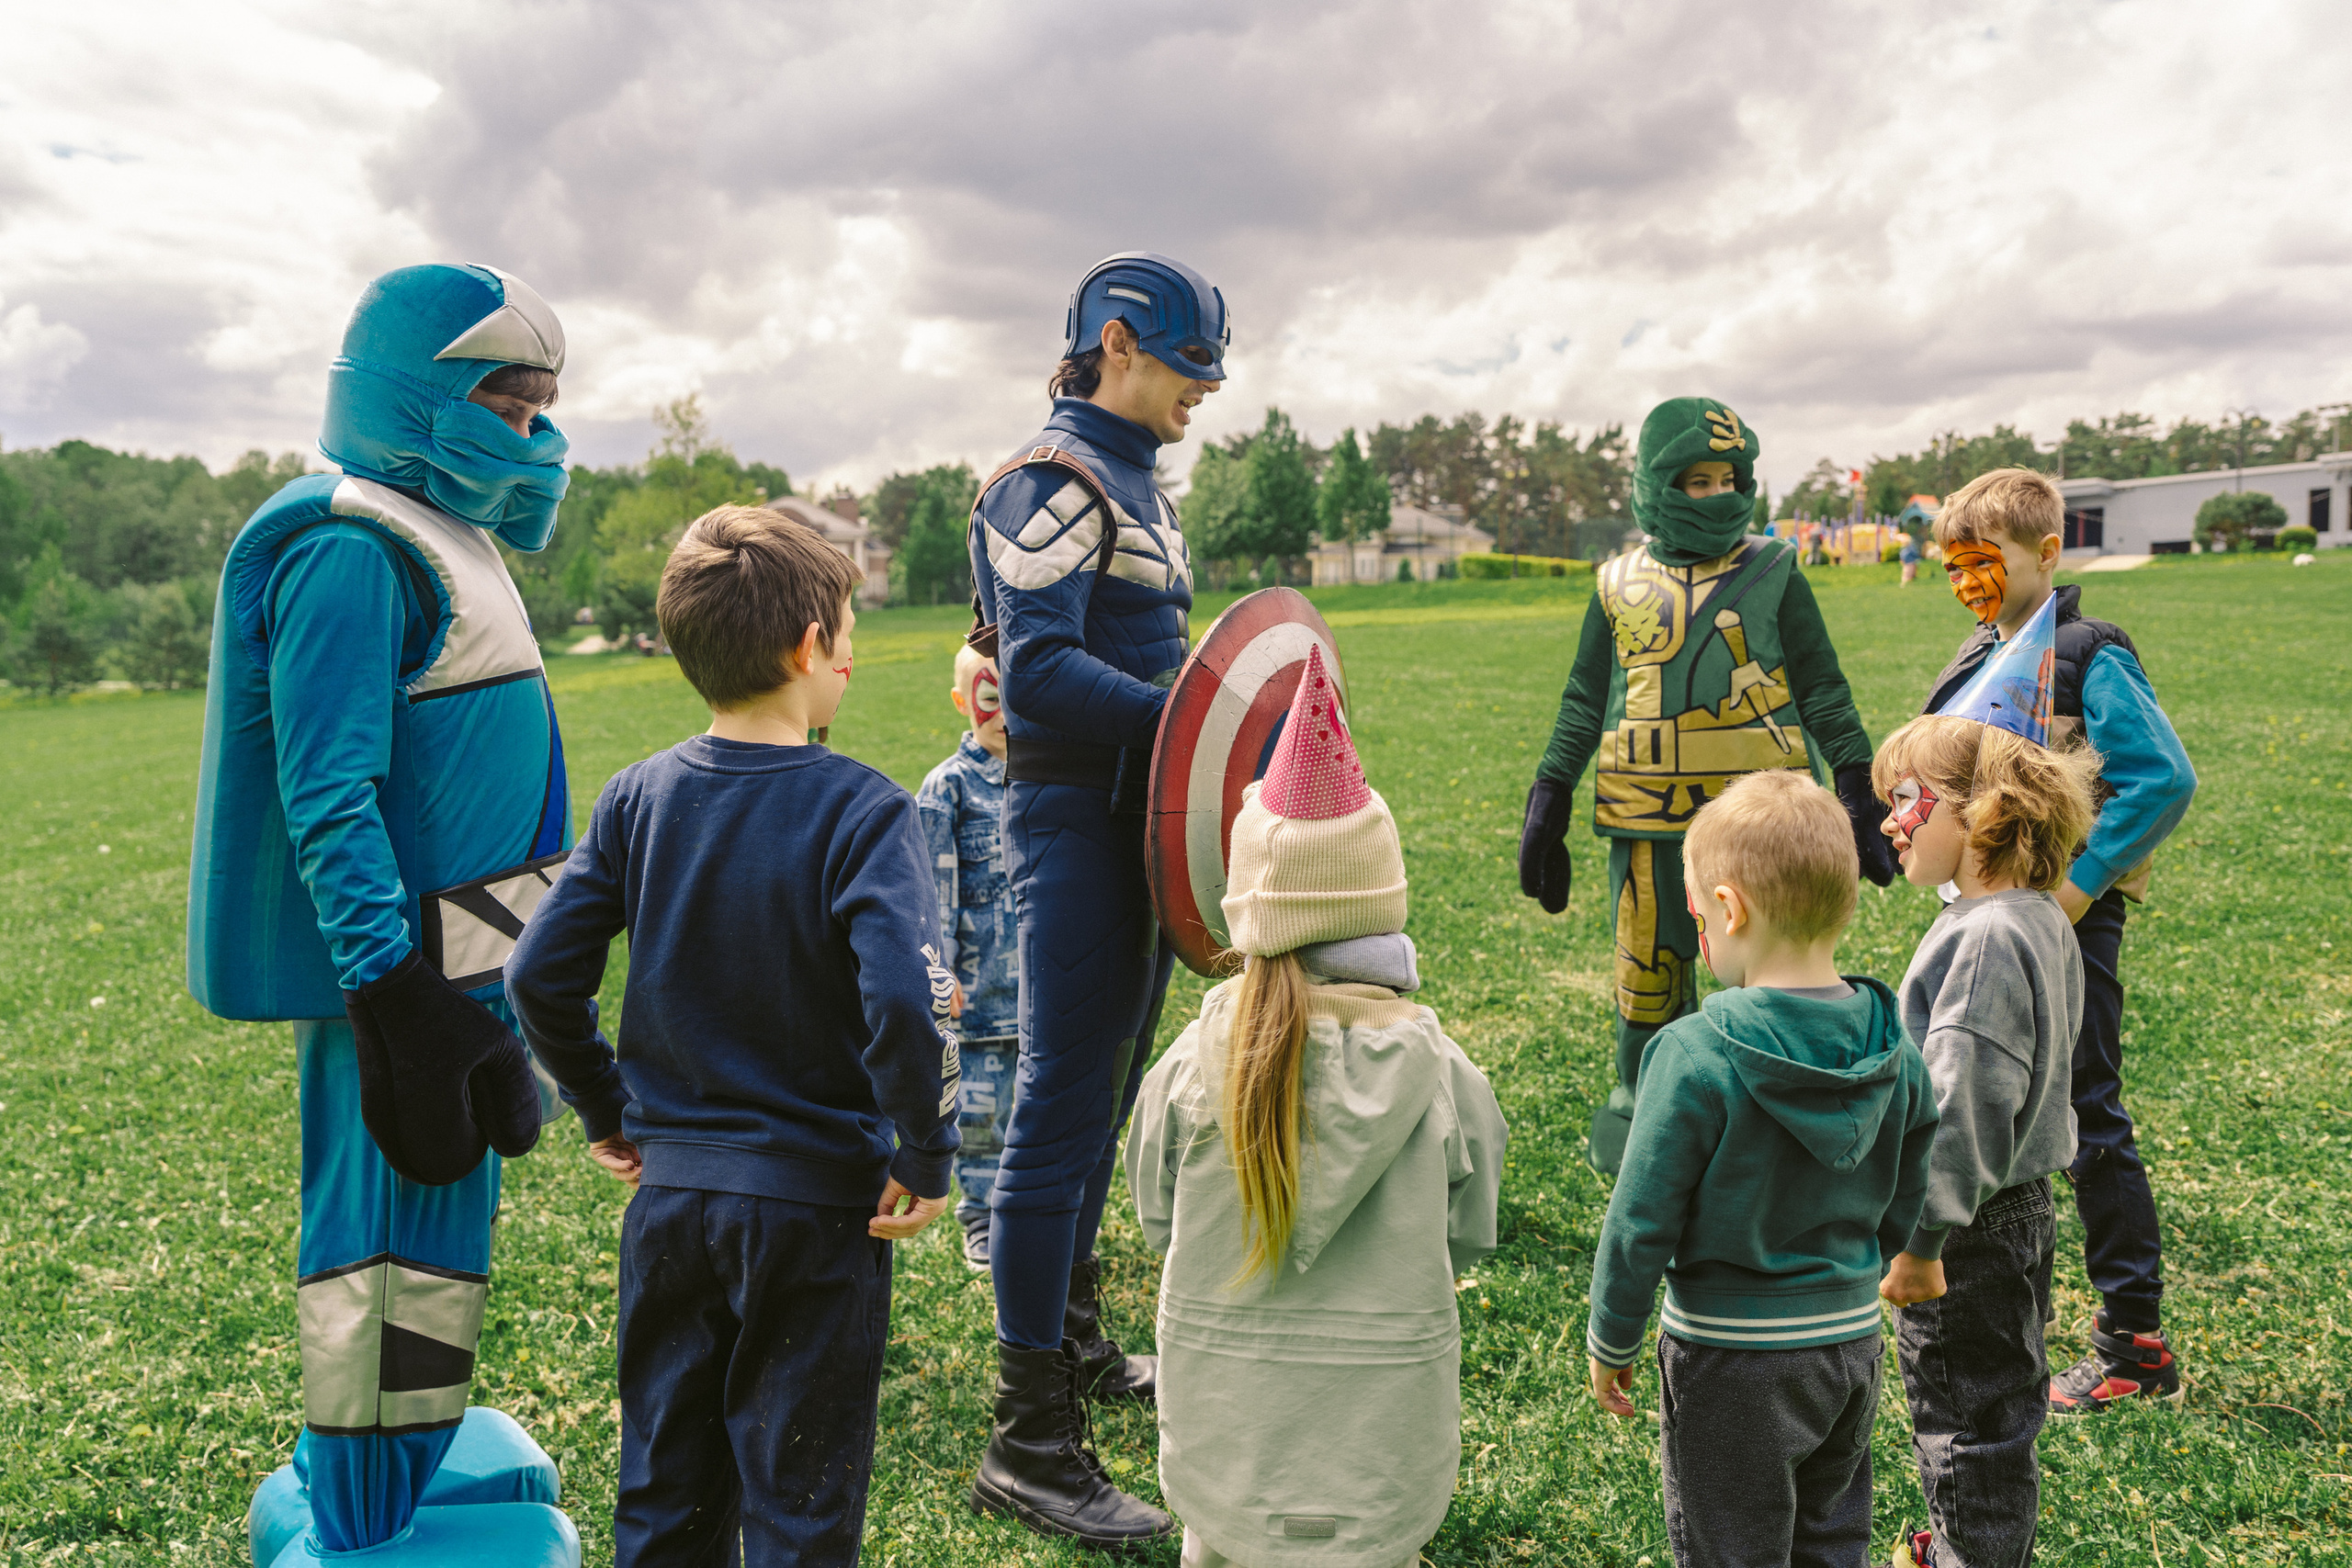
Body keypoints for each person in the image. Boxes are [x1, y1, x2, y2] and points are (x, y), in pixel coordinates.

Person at [188, 264, 581, 1565]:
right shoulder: (354, 548)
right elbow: (327, 789)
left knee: (443, 1242)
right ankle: (359, 1511)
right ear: (417, 396)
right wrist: (391, 987)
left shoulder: (443, 532)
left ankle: (410, 1447)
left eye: (541, 409)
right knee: (376, 1243)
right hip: (402, 995)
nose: (534, 437)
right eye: (507, 407)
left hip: (472, 982)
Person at [504, 506, 960, 1567]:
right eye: (847, 634)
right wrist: (926, 1151)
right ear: (810, 648)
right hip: (812, 1215)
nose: (850, 658)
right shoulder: (866, 812)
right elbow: (908, 1000)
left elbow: (536, 975)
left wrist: (604, 1107)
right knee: (798, 1503)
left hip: (669, 1206)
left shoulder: (636, 799)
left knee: (664, 1491)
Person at [1127, 646, 1508, 1568]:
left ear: (1249, 901)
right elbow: (1469, 1229)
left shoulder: (1188, 1068)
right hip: (1379, 1455)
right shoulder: (1444, 1074)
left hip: (1231, 1451)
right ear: (1381, 903)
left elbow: (1153, 1215)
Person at [963, 252, 1225, 1546]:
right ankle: (1028, 1439)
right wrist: (1197, 724)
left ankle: (1073, 1343)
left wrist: (1187, 740)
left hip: (1138, 824)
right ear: (1118, 341)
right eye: (1188, 365)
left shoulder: (1130, 480)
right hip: (1072, 822)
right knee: (1057, 1117)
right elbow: (1042, 671)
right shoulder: (1047, 477)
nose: (1203, 391)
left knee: (1103, 1092)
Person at [1518, 398, 1897, 1174]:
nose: (1721, 494)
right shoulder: (1614, 582)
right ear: (1657, 482)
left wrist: (1856, 787)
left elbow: (1822, 686)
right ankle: (1648, 1115)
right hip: (1644, 815)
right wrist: (1549, 796)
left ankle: (1769, 1114)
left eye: (1732, 477)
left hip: (1768, 822)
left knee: (1771, 968)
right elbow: (1584, 699)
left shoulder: (1775, 569)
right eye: (1698, 479)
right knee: (1649, 969)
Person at [1585, 770, 1938, 1568]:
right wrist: (1874, 1255)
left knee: (1730, 1546)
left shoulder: (1690, 1053)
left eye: (1698, 911)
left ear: (1729, 908)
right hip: (1849, 1343)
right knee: (1830, 1531)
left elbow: (1641, 1218)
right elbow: (1914, 1170)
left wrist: (1613, 1335)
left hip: (1729, 1357)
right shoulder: (1893, 1045)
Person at [1918, 468, 2197, 1416]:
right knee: (1983, 1099)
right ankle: (1992, 1287)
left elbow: (2160, 778)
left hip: (2066, 924)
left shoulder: (2086, 654)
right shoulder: (1972, 655)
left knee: (2086, 1113)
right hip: (1979, 922)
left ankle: (2134, 1339)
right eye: (1953, 565)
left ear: (2046, 553)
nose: (1967, 582)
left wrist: (2078, 890)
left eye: (1984, 561)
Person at [1872, 712, 2101, 1568]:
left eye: (1905, 800)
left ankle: (1971, 1555)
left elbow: (1965, 1103)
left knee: (1966, 1418)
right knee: (1995, 1402)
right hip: (2015, 1211)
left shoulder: (1988, 938)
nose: (1892, 821)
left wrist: (1924, 1240)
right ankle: (1971, 1542)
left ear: (1981, 814)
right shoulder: (2032, 914)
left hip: (1965, 1227)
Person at [917, 645, 1019, 1271]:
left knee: (1032, 1114)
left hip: (1040, 997)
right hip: (978, 1002)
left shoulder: (1047, 780)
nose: (1006, 712)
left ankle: (1026, 1210)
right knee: (980, 1118)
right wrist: (940, 973)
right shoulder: (947, 789)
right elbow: (933, 895)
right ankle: (981, 1215)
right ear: (963, 702)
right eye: (989, 698)